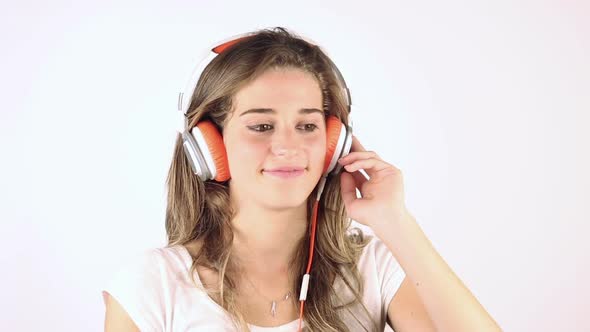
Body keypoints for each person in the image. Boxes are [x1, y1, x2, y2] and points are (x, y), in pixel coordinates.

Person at [102, 27, 501, 332]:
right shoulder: (153, 283)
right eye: (261, 125)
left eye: (307, 125)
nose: (288, 146)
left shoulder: (374, 268)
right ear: (210, 146)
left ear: (334, 143)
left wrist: (395, 222)